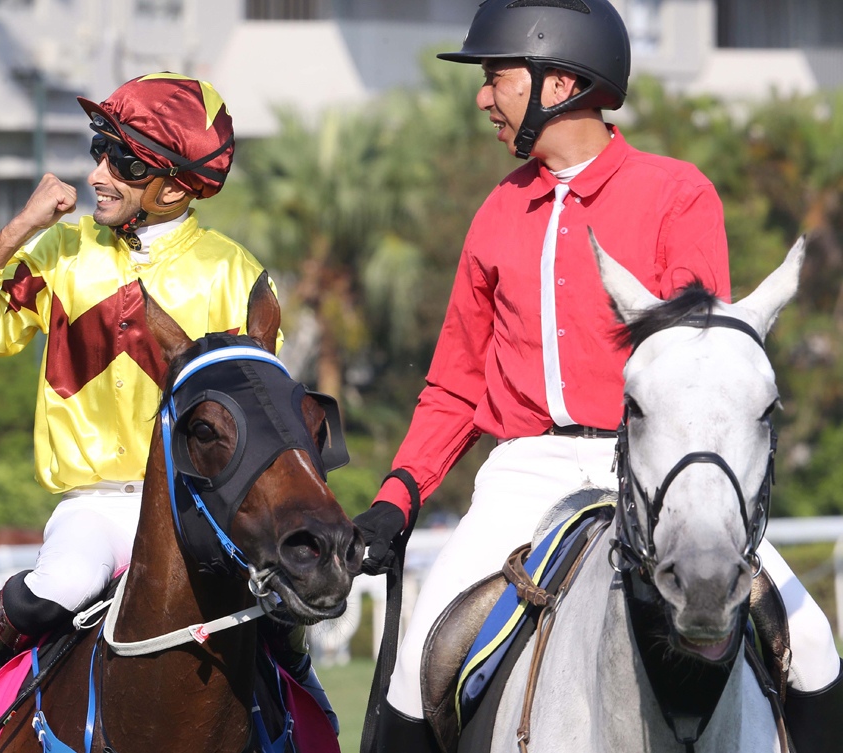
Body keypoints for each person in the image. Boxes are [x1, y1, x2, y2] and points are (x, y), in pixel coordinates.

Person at [352, 1, 842, 750]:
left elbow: (697, 365)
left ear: (560, 83)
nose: (484, 97)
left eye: (498, 77)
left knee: (813, 648)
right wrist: (397, 496)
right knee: (414, 663)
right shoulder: (496, 213)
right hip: (526, 469)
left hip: (651, 466)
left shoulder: (677, 193)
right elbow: (453, 384)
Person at [0, 73, 336, 736]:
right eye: (98, 148)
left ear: (174, 186)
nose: (98, 174)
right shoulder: (60, 253)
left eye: (124, 161)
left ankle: (311, 718)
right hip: (94, 507)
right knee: (50, 590)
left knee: (280, 618)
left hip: (198, 509)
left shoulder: (235, 272)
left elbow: (267, 419)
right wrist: (20, 227)